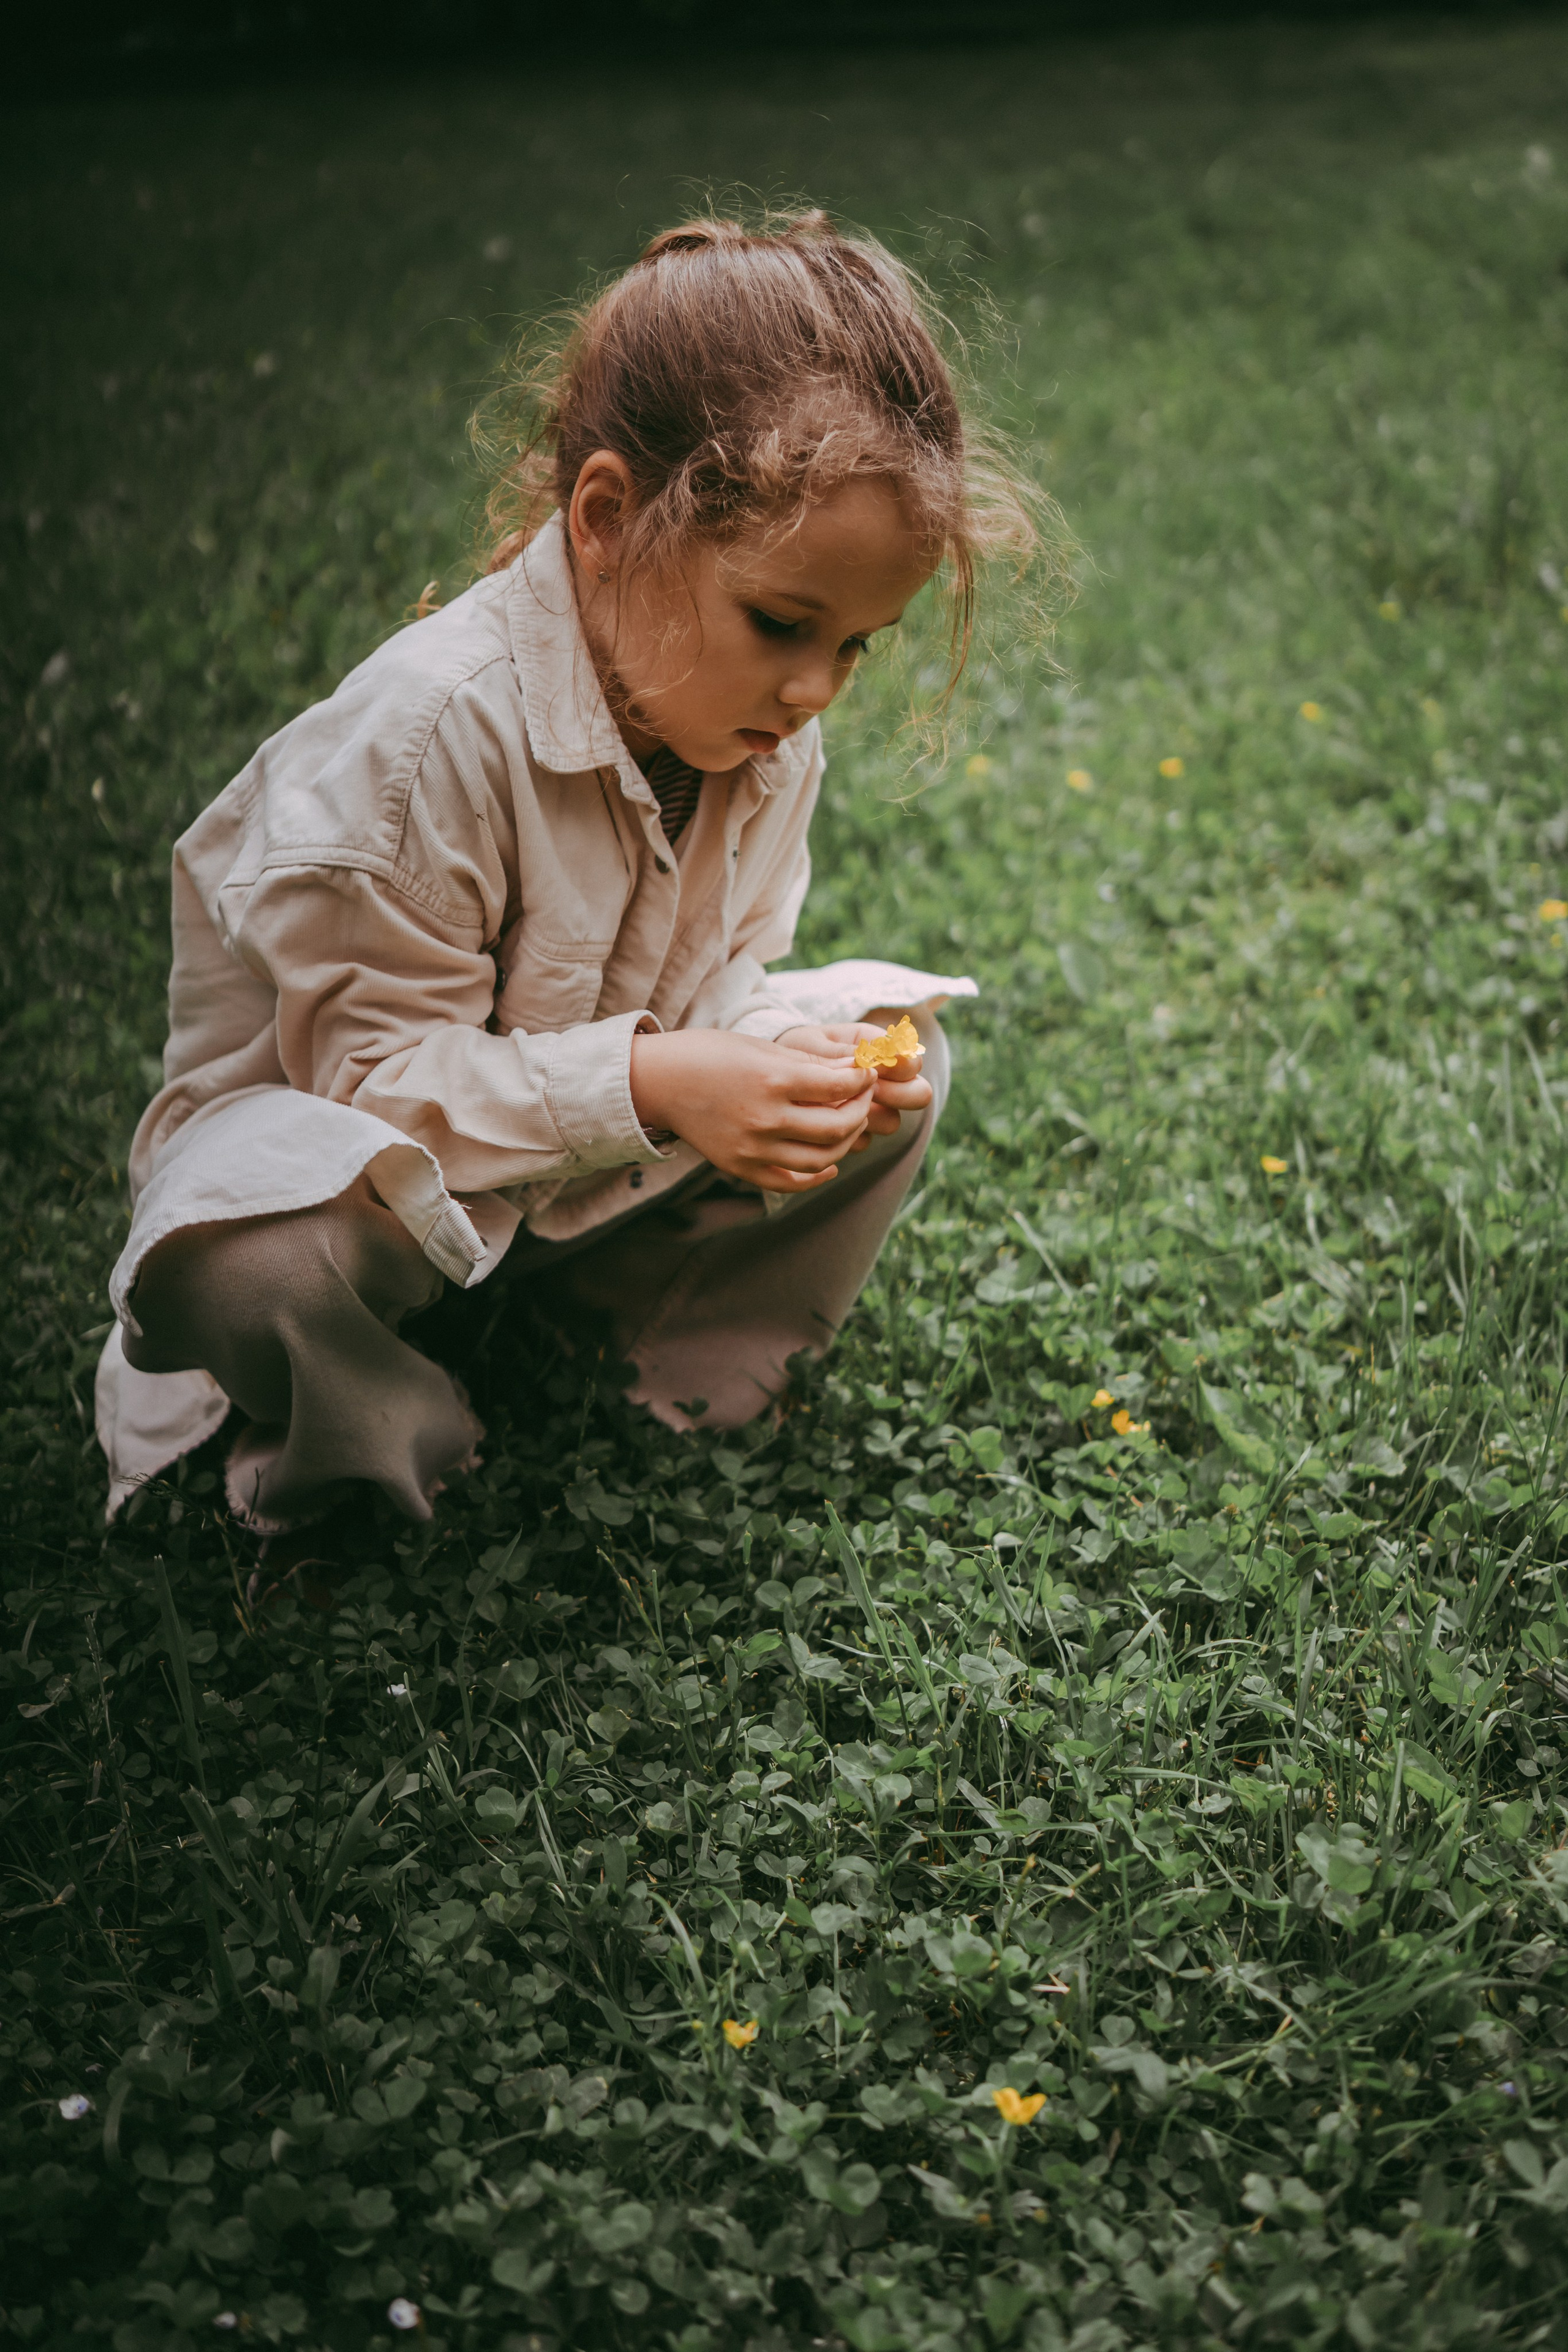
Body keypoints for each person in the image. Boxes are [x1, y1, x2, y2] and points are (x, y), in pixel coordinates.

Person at [94, 209, 1042, 1534]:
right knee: (250, 1266)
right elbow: (364, 1093)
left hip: (568, 1183)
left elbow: (722, 974)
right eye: (781, 623)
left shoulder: (761, 735)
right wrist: (657, 1081)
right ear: (605, 518)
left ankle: (662, 1360)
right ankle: (378, 1437)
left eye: (856, 647)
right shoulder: (429, 736)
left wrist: (769, 1074)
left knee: (896, 1061)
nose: (815, 688)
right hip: (360, 1198)